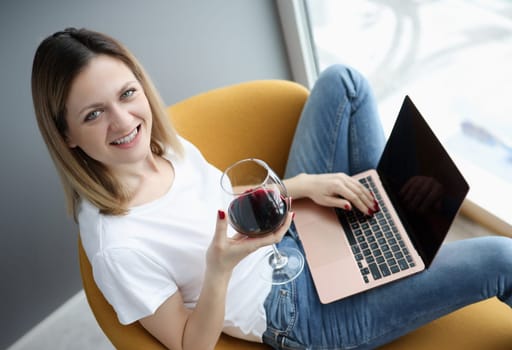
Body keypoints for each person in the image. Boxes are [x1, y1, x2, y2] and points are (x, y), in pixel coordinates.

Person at [31, 28, 512, 350]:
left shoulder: (162, 147)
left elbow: (222, 208)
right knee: (500, 260)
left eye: (127, 93)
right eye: (93, 114)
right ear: (67, 135)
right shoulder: (118, 245)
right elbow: (185, 344)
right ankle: (388, 243)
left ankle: (383, 225)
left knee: (343, 83)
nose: (123, 121)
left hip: (288, 236)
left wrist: (299, 187)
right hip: (296, 311)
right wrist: (218, 270)